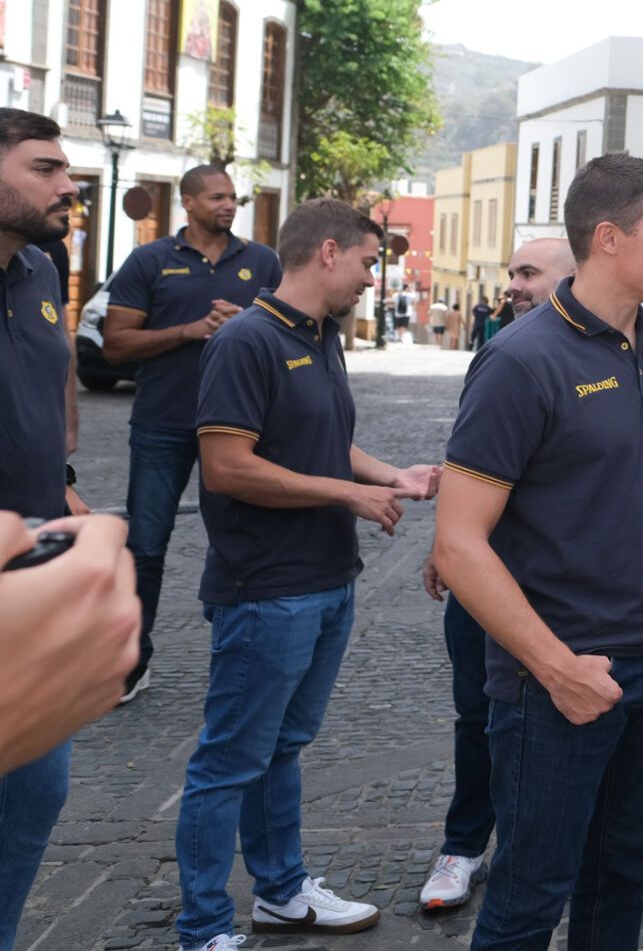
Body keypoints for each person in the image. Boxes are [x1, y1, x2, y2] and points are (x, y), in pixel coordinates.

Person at [433, 154, 643, 949]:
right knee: (529, 901)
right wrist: (557, 668)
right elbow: (458, 544)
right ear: (608, 238)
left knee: (621, 880)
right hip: (559, 685)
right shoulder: (521, 360)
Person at [174, 199, 440, 951]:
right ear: (328, 252)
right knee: (229, 762)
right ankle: (203, 929)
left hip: (326, 578)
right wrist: (348, 495)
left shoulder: (321, 335)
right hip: (266, 588)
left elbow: (318, 439)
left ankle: (282, 893)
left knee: (281, 748)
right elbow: (228, 468)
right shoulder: (246, 341)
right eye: (366, 262)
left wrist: (391, 475)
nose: (371, 278)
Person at [0, 108, 139, 951]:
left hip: (34, 575)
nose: (68, 185)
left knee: (33, 797)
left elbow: (51, 396)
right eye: (45, 168)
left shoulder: (42, 271)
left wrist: (63, 486)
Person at [416, 233, 575, 914]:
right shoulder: (501, 353)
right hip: (483, 576)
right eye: (512, 273)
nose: (513, 285)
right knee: (477, 714)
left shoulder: (616, 354)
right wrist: (445, 542)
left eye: (529, 273)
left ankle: (541, 849)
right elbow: (471, 458)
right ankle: (463, 845)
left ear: (573, 277)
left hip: (560, 584)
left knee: (557, 718)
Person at [101, 164, 282, 702]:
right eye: (217, 197)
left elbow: (289, 332)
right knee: (145, 545)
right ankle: (131, 660)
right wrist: (192, 330)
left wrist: (245, 323)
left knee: (245, 547)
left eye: (233, 197)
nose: (228, 205)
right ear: (188, 202)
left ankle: (248, 659)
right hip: (162, 423)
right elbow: (115, 344)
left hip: (242, 429)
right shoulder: (150, 260)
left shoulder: (262, 261)